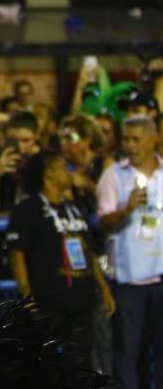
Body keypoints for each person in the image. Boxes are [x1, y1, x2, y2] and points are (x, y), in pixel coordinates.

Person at [7, 152, 115, 372]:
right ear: (48, 173)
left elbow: (87, 250)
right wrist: (27, 295)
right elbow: (16, 254)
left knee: (82, 364)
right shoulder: (28, 209)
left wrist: (103, 287)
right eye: (63, 167)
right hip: (48, 303)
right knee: (46, 366)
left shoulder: (74, 208)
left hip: (82, 301)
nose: (69, 173)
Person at [97, 116, 163, 389]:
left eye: (136, 139)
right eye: (126, 139)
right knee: (127, 354)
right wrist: (128, 208)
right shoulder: (114, 176)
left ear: (153, 140)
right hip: (127, 281)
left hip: (160, 278)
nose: (130, 146)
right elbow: (103, 223)